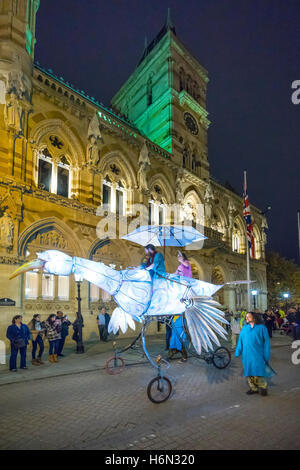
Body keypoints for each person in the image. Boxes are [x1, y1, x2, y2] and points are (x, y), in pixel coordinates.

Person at [235, 312, 272, 396]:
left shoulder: (262, 328)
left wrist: (266, 354)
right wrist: (238, 351)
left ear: (254, 318)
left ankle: (263, 387)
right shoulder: (244, 328)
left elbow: (266, 342)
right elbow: (240, 340)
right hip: (246, 354)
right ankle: (253, 388)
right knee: (249, 371)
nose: (246, 318)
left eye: (249, 317)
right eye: (246, 317)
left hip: (258, 353)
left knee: (258, 371)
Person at [168, 252, 192, 362]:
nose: (178, 257)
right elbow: (174, 274)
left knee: (180, 333)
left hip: (186, 290)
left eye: (179, 256)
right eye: (177, 256)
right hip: (179, 291)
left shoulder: (186, 263)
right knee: (174, 332)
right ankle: (172, 350)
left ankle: (183, 353)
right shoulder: (179, 266)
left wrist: (181, 260)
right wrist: (167, 276)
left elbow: (185, 265)